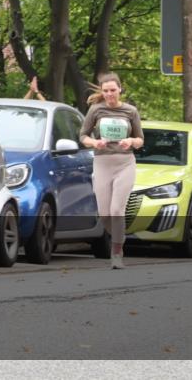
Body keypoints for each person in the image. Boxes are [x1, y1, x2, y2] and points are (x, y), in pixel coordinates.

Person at [78, 72, 143, 269]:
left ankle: (116, 253)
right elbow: (83, 136)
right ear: (102, 91)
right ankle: (119, 236)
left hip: (125, 163)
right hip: (102, 163)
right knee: (105, 214)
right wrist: (95, 143)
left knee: (116, 210)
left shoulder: (130, 111)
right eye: (105, 91)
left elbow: (140, 140)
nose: (109, 94)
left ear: (120, 89)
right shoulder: (96, 110)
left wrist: (130, 141)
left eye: (113, 90)